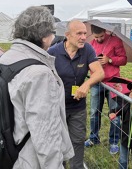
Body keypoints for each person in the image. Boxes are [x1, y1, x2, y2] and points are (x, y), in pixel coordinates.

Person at [0, 6, 74, 168]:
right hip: (27, 159)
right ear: (45, 37)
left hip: (4, 151)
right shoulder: (39, 74)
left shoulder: (3, 60)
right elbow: (46, 134)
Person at [48, 20, 104, 169]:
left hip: (78, 107)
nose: (83, 37)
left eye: (85, 33)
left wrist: (86, 84)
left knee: (77, 141)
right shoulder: (53, 52)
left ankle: (77, 166)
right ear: (67, 35)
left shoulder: (87, 50)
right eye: (79, 33)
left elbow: (99, 72)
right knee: (57, 141)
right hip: (57, 107)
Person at [84, 25, 127, 154]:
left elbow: (124, 60)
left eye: (101, 36)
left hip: (113, 83)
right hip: (97, 82)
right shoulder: (91, 44)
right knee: (93, 112)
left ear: (105, 31)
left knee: (114, 113)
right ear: (92, 34)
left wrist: (110, 59)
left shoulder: (115, 41)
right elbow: (88, 62)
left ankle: (114, 141)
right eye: (96, 37)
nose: (99, 39)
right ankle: (93, 138)